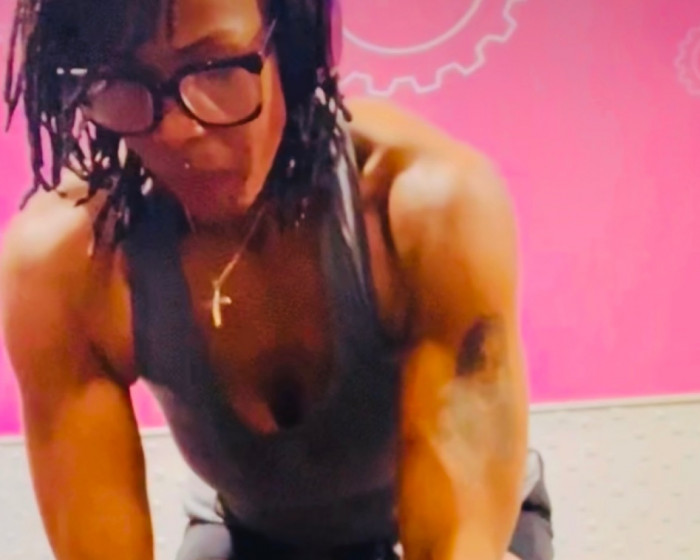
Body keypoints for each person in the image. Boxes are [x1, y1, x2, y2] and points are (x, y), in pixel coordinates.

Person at [0, 0, 553, 559]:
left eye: (216, 68)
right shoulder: (68, 267)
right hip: (250, 530)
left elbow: (457, 545)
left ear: (288, 44)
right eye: (122, 81)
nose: (176, 130)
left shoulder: (424, 209)